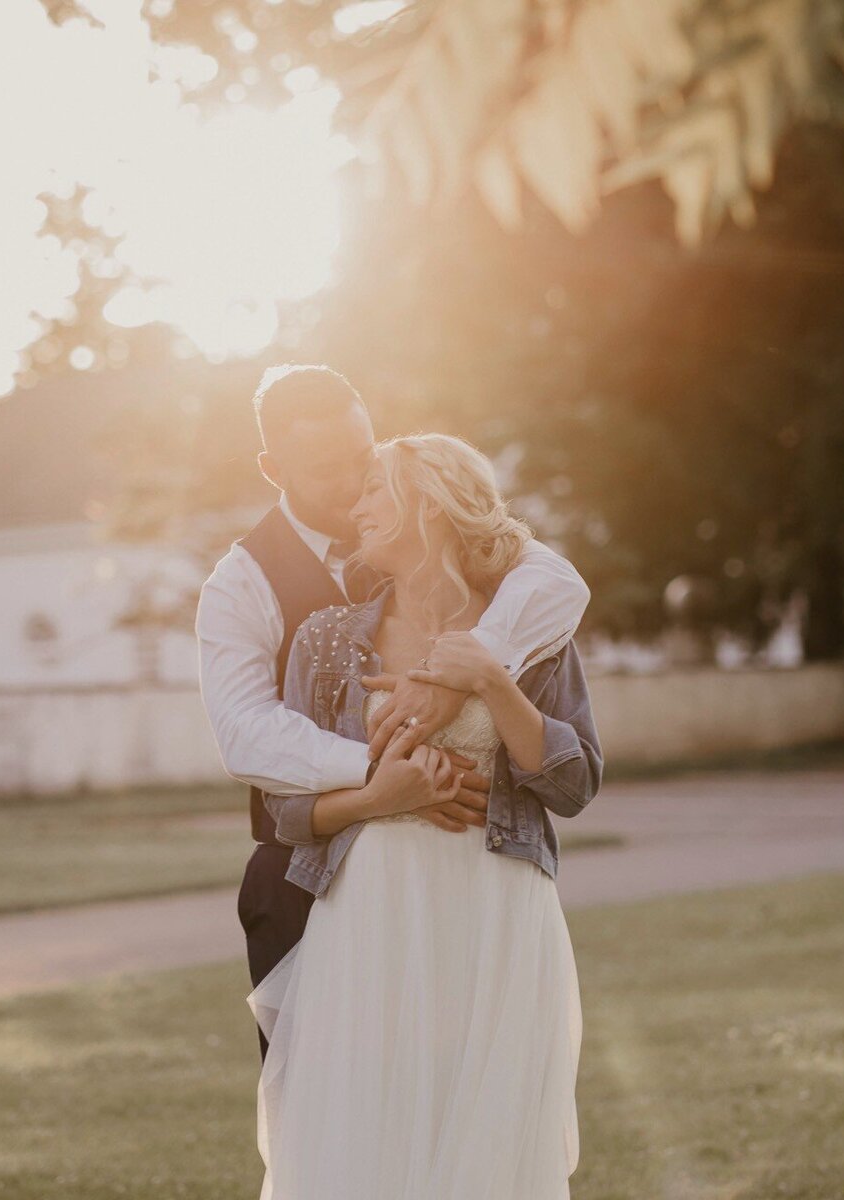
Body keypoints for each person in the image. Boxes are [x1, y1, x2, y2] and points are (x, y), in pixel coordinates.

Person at [195, 365, 592, 1060]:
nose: (355, 487)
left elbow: (558, 581)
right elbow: (246, 737)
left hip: (478, 893)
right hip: (308, 881)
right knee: (324, 1126)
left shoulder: (454, 555)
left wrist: (459, 672)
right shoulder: (240, 583)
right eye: (327, 470)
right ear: (273, 468)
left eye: (364, 458)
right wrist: (386, 774)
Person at [248, 433, 603, 1200]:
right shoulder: (327, 640)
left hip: (497, 908)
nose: (358, 505)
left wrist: (492, 681)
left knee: (487, 1128)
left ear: (430, 503)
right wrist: (381, 798)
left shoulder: (531, 635)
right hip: (373, 912)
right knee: (367, 1130)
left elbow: (574, 786)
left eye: (377, 488)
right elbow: (287, 811)